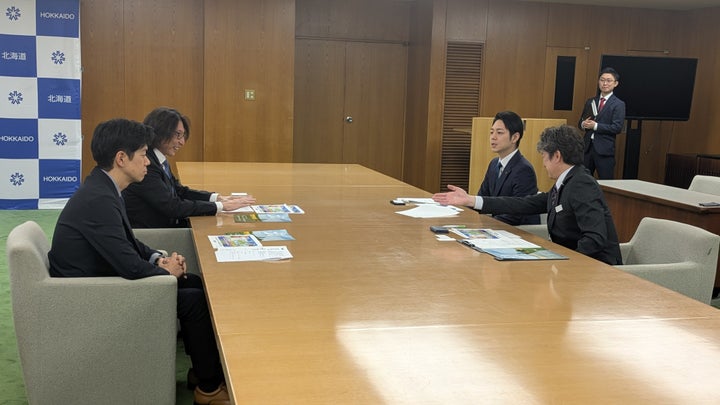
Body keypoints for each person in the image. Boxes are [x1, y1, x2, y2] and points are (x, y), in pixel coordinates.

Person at [48, 118, 230, 405]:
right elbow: (129, 266)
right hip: (89, 295)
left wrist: (160, 259)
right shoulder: (99, 199)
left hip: (99, 278)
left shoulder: (104, 187)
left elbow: (127, 243)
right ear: (121, 158)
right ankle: (208, 389)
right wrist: (165, 271)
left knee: (192, 282)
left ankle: (202, 372)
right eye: (144, 154)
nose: (148, 162)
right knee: (192, 299)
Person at [433, 124, 622, 266]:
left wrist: (563, 265)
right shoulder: (567, 181)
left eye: (544, 156)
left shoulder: (581, 184)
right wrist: (472, 200)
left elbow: (595, 238)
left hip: (595, 271)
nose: (543, 163)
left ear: (556, 156)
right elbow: (524, 204)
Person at [123, 107, 255, 228]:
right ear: (160, 131)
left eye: (183, 136)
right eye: (178, 135)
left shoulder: (158, 159)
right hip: (155, 233)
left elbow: (179, 191)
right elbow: (173, 207)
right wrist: (220, 206)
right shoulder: (146, 164)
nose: (182, 142)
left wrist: (217, 198)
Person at [452, 111, 540, 225]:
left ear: (515, 137)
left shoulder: (524, 170)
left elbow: (517, 214)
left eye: (499, 133)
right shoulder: (494, 164)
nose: (493, 137)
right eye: (491, 132)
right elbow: (482, 199)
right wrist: (461, 207)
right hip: (496, 226)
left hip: (518, 230)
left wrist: (485, 224)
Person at [578, 67, 626, 179]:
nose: (605, 83)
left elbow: (617, 127)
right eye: (602, 80)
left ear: (615, 83)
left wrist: (595, 126)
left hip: (604, 150)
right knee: (583, 180)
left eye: (609, 81)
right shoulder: (591, 101)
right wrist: (583, 124)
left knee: (606, 182)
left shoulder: (618, 104)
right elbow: (580, 122)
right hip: (587, 148)